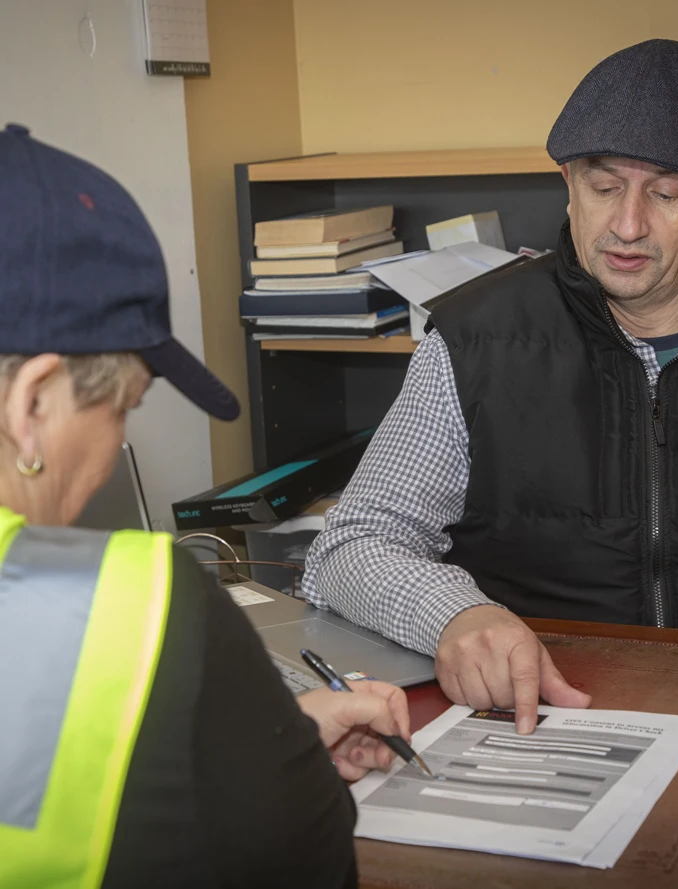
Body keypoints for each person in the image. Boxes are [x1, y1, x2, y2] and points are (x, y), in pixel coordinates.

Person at [303, 39, 678, 735]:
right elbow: (352, 543)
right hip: (545, 726)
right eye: (603, 186)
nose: (627, 225)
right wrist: (456, 613)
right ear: (567, 183)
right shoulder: (472, 341)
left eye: (665, 193)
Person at [0, 124, 412, 889]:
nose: (108, 454)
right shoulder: (135, 598)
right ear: (30, 406)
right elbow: (303, 862)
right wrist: (281, 765)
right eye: (123, 408)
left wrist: (267, 740)